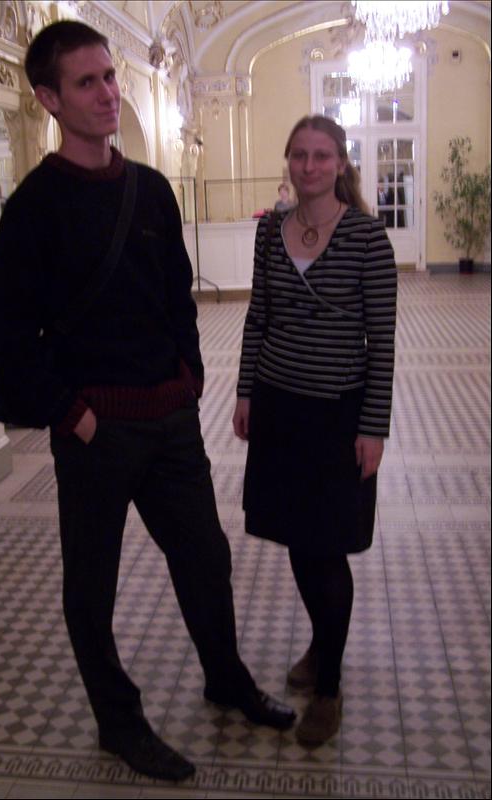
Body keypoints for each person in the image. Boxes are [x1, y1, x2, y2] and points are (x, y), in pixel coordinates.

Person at [0, 20, 295, 784]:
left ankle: (225, 678)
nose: (108, 93)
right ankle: (119, 723)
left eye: (111, 76)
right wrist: (72, 415)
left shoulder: (150, 189)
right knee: (92, 587)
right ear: (49, 98)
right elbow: (0, 335)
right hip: (95, 433)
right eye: (86, 82)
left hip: (169, 420)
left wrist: (189, 377)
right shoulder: (35, 206)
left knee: (206, 559)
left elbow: (176, 296)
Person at [233, 115, 397, 746]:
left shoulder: (366, 237)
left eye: (321, 156)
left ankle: (328, 686)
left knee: (326, 548)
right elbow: (258, 317)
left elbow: (381, 341)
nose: (309, 166)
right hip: (280, 410)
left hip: (336, 414)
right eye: (299, 155)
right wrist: (246, 391)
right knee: (299, 542)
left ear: (341, 163)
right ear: (289, 161)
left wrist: (373, 428)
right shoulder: (270, 231)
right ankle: (322, 644)